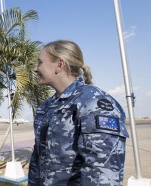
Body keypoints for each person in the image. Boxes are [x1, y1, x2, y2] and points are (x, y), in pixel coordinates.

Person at [28, 40, 129, 186]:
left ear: (59, 65)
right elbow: (38, 159)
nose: (35, 68)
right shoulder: (46, 107)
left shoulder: (93, 103)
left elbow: (102, 171)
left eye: (40, 62)